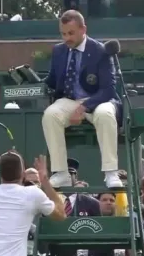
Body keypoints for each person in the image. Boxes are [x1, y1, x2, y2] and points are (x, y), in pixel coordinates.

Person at [42, 10, 122, 188]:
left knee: (105, 114)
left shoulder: (100, 51)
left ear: (83, 29)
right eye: (63, 34)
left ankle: (111, 173)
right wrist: (31, 81)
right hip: (69, 99)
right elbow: (53, 81)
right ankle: (61, 172)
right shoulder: (58, 51)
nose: (66, 38)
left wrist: (84, 107)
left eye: (71, 33)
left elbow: (108, 90)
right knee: (50, 115)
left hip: (99, 100)